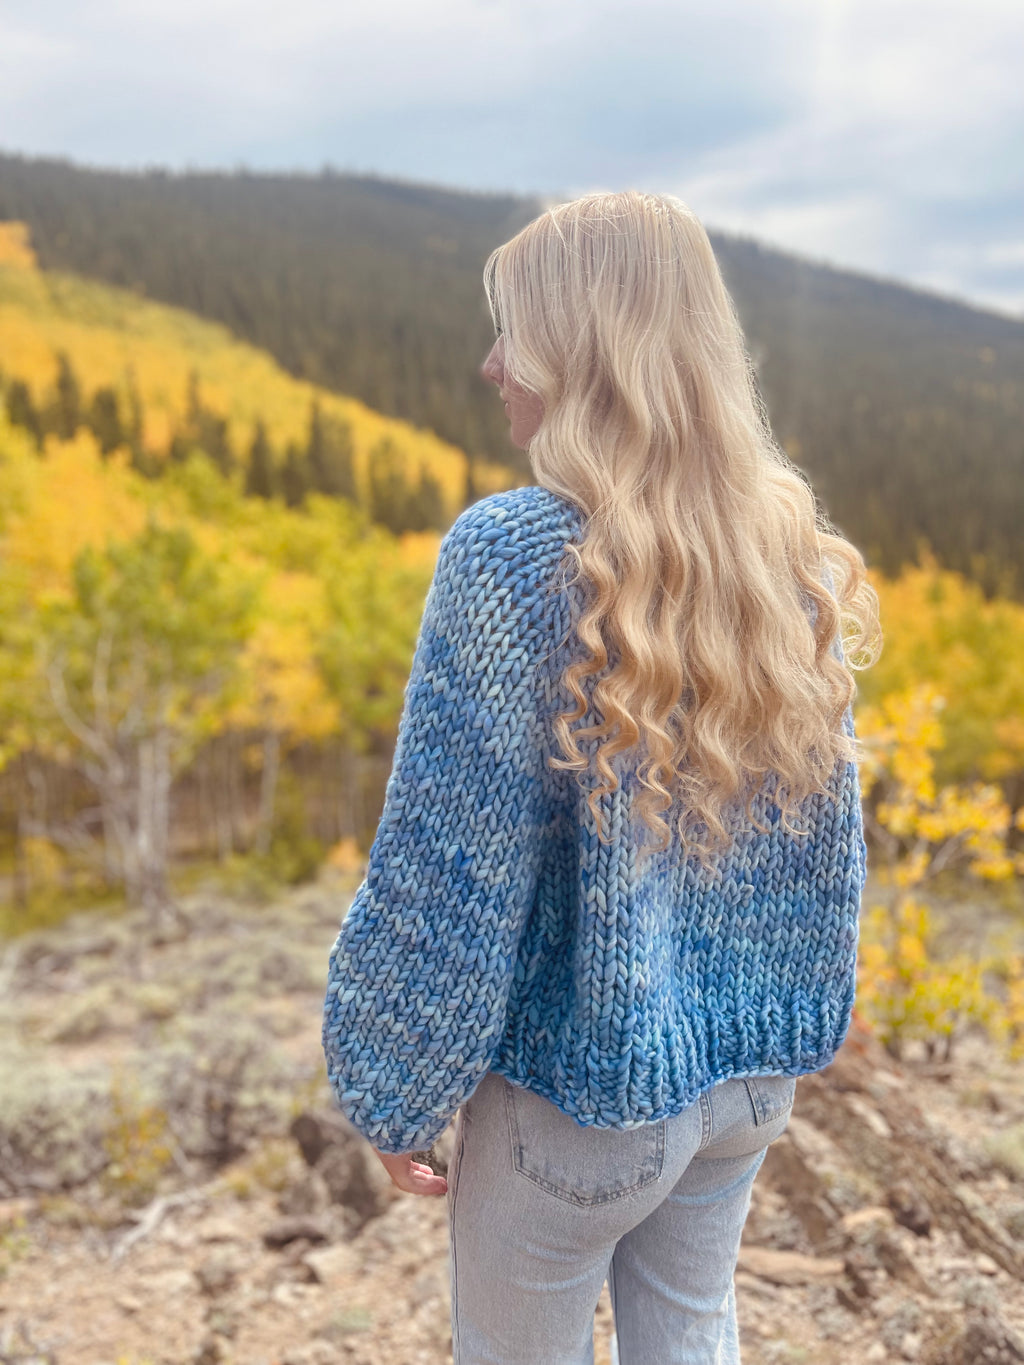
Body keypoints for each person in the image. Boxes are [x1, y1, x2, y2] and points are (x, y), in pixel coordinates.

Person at [322, 190, 881, 1364]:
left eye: (512, 332)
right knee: (690, 1332)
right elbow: (823, 846)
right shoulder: (786, 549)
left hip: (571, 1105)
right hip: (740, 1086)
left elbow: (449, 874)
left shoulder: (511, 555)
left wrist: (392, 1083)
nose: (490, 364)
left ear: (582, 352)